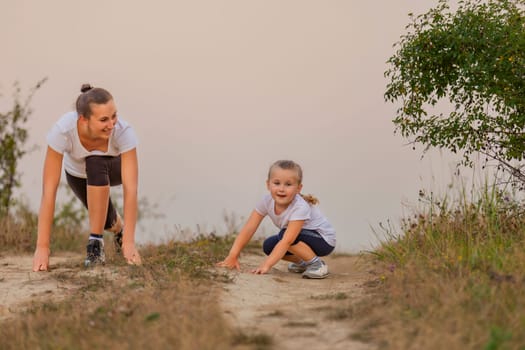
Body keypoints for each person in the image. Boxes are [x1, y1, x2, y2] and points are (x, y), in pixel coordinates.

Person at [32, 84, 142, 271]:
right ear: (84, 119)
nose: (112, 124)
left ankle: (95, 246)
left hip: (113, 168)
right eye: (104, 119)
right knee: (109, 223)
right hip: (77, 175)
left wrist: (130, 242)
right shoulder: (63, 131)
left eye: (114, 116)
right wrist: (42, 247)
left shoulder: (123, 132)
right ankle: (118, 228)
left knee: (95, 161)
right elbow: (49, 192)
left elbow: (130, 189)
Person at [217, 160, 336, 279]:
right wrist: (232, 256)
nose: (281, 189)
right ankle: (303, 263)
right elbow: (249, 228)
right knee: (269, 245)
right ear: (268, 184)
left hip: (323, 240)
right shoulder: (266, 201)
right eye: (277, 183)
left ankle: (317, 264)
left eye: (288, 184)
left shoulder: (300, 207)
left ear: (298, 188)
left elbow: (288, 240)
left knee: (284, 235)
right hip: (301, 238)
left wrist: (266, 265)